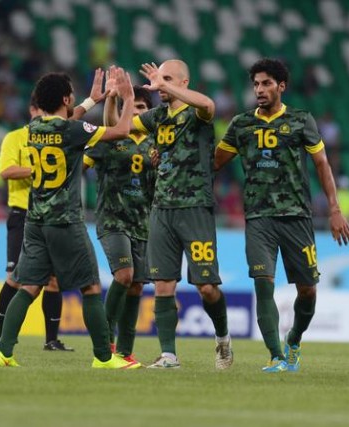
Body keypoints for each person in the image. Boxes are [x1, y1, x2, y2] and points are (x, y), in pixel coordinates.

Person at [0, 67, 140, 369]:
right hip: (65, 221)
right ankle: (103, 357)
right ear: (65, 97)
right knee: (90, 287)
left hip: (34, 221)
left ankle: (3, 351)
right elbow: (121, 132)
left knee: (29, 286)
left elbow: (64, 123)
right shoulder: (72, 132)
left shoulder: (32, 129)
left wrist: (91, 101)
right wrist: (128, 97)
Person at [214, 58, 349, 372]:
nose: (259, 90)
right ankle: (276, 357)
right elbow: (214, 163)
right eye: (256, 84)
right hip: (259, 217)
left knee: (307, 290)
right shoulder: (241, 124)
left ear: (281, 86)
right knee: (263, 283)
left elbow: (322, 165)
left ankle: (294, 340)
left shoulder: (301, 120)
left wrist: (334, 209)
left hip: (296, 216)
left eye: (266, 83)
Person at [132, 60, 233, 369]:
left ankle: (222, 338)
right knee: (163, 284)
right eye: (158, 79)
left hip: (196, 209)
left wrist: (164, 85)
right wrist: (115, 99)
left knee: (207, 288)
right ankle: (168, 355)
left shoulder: (197, 115)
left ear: (184, 82)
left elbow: (209, 104)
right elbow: (121, 127)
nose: (159, 85)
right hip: (161, 209)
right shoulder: (156, 116)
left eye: (167, 79)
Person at [83, 79, 156, 367]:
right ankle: (106, 341)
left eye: (142, 108)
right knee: (124, 276)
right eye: (133, 106)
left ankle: (125, 351)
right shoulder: (110, 139)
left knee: (137, 286)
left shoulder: (154, 143)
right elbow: (81, 167)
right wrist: (112, 99)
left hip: (143, 222)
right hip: (113, 219)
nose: (137, 112)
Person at [0, 96, 72, 352]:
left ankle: (51, 340)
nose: (43, 116)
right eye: (40, 110)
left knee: (53, 280)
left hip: (49, 215)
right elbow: (5, 171)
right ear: (31, 110)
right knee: (15, 277)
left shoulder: (56, 138)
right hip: (21, 213)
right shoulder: (14, 138)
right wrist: (37, 169)